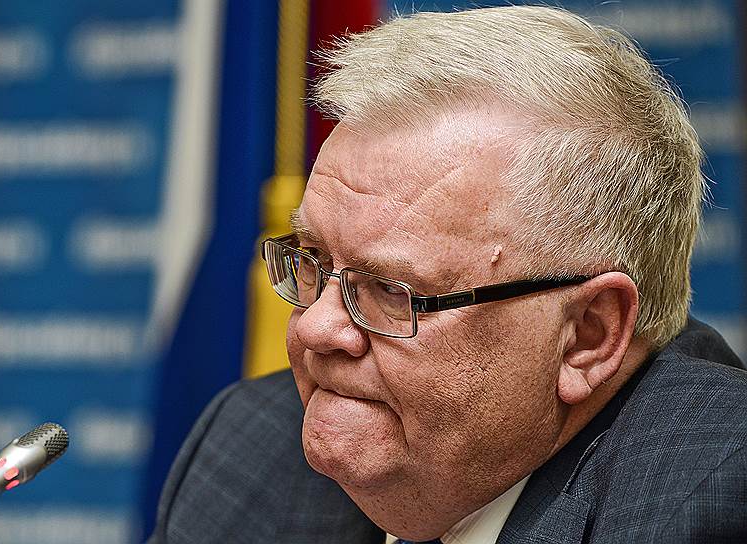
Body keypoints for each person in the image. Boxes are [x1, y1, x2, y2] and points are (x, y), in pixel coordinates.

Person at [147, 6, 747, 544]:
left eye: (390, 290)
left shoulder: (715, 494)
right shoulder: (245, 452)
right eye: (312, 260)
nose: (314, 329)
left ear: (587, 334)